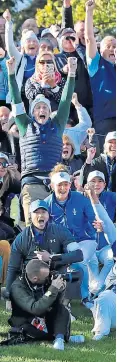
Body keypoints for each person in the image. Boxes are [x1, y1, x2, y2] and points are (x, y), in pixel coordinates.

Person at [7, 55, 77, 225]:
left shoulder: (57, 124)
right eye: (38, 107)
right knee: (34, 229)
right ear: (32, 112)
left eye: (44, 106)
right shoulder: (24, 125)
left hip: (55, 186)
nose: (41, 109)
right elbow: (16, 100)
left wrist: (72, 73)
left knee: (57, 229)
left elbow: (66, 100)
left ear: (49, 110)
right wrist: (10, 73)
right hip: (31, 185)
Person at [44, 164, 101, 306]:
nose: (63, 188)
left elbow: (93, 218)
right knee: (62, 264)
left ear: (70, 185)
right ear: (52, 185)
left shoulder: (80, 198)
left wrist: (98, 225)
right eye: (59, 185)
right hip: (63, 244)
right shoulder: (46, 204)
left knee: (79, 260)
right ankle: (63, 300)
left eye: (66, 185)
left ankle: (85, 297)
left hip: (85, 240)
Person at [5, 199, 83, 301]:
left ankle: (64, 304)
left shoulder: (60, 230)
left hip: (56, 273)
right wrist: (9, 296)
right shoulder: (21, 238)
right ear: (30, 215)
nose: (40, 215)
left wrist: (51, 257)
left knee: (77, 270)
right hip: (33, 277)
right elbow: (13, 268)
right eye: (36, 212)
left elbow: (79, 255)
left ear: (48, 215)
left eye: (43, 212)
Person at [85, 0, 116, 151]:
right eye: (108, 46)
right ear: (100, 50)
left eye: (115, 46)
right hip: (105, 120)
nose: (112, 49)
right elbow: (90, 38)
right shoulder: (96, 64)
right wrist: (89, 12)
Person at [84, 170, 115, 294]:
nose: (96, 184)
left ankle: (97, 287)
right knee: (92, 261)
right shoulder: (80, 198)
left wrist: (109, 226)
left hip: (105, 245)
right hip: (88, 243)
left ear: (105, 183)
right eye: (93, 181)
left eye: (100, 181)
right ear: (87, 184)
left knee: (110, 259)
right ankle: (96, 288)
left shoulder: (112, 197)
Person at [55, 26, 93, 120]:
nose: (69, 40)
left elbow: (88, 62)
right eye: (66, 37)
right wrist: (63, 70)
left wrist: (77, 46)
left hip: (87, 104)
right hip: (66, 105)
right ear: (60, 41)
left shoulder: (82, 52)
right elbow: (54, 74)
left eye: (72, 37)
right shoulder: (56, 58)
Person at [4, 9, 39, 107]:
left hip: (38, 98)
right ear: (23, 46)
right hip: (20, 98)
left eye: (34, 41)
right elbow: (10, 45)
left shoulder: (41, 59)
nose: (32, 43)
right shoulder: (19, 58)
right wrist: (8, 23)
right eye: (28, 41)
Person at [64, 92, 92, 156]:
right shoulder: (49, 133)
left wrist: (76, 104)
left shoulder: (72, 132)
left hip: (75, 163)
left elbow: (86, 123)